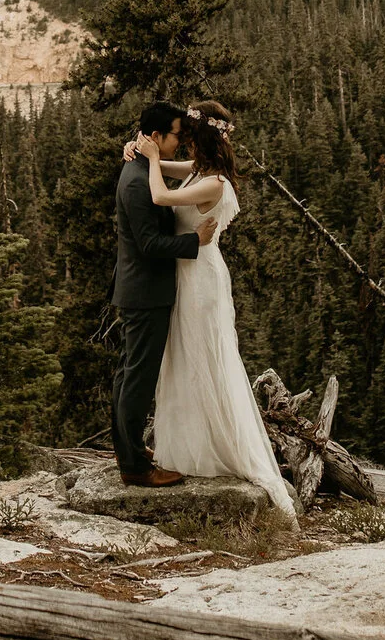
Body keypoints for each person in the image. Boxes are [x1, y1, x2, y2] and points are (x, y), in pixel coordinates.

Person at [124, 99, 298, 519]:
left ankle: (221, 449)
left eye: (186, 135)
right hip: (187, 275)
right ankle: (190, 446)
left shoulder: (214, 182)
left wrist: (149, 158)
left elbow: (161, 194)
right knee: (184, 361)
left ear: (198, 138)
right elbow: (167, 170)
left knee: (204, 359)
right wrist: (135, 150)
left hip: (200, 279)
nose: (180, 141)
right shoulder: (199, 171)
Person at [111, 99, 219, 488]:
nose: (180, 141)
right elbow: (150, 245)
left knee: (129, 375)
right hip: (146, 292)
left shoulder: (140, 167)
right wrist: (194, 240)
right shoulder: (139, 182)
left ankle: (129, 452)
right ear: (156, 137)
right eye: (175, 135)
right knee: (137, 380)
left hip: (141, 289)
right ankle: (135, 467)